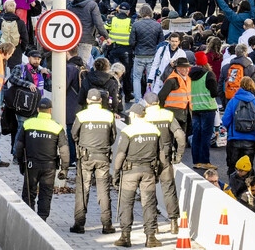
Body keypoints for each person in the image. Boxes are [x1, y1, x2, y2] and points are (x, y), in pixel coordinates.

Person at [112, 103, 167, 248]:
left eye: (130, 114)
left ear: (135, 115)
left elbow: (120, 155)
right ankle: (151, 238)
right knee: (149, 204)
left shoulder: (128, 131)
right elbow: (162, 155)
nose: (129, 115)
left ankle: (125, 237)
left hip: (130, 172)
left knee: (126, 203)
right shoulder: (155, 130)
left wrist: (115, 174)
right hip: (148, 171)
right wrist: (158, 172)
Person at [70, 89, 117, 235]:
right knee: (104, 191)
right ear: (100, 101)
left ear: (88, 100)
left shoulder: (81, 115)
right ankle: (107, 225)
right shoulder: (109, 116)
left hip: (85, 158)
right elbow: (113, 136)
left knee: (83, 190)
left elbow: (73, 134)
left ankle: (79, 224)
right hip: (103, 157)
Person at [14, 98, 69, 222]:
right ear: (50, 111)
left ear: (38, 109)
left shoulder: (28, 124)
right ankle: (42, 219)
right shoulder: (57, 127)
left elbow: (18, 146)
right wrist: (64, 168)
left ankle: (28, 220)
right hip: (49, 166)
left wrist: (20, 163)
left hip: (31, 164)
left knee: (29, 193)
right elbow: (64, 150)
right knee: (46, 193)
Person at [143, 92, 186, 234]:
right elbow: (180, 135)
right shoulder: (167, 115)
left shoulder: (141, 116)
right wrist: (179, 154)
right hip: (165, 157)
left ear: (146, 103)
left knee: (148, 190)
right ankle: (174, 223)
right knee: (168, 189)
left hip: (147, 158)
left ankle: (153, 226)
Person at [222, 76, 255, 176]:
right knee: (247, 169)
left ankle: (232, 189)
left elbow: (225, 120)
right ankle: (246, 189)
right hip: (250, 140)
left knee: (232, 168)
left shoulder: (233, 101)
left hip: (234, 139)